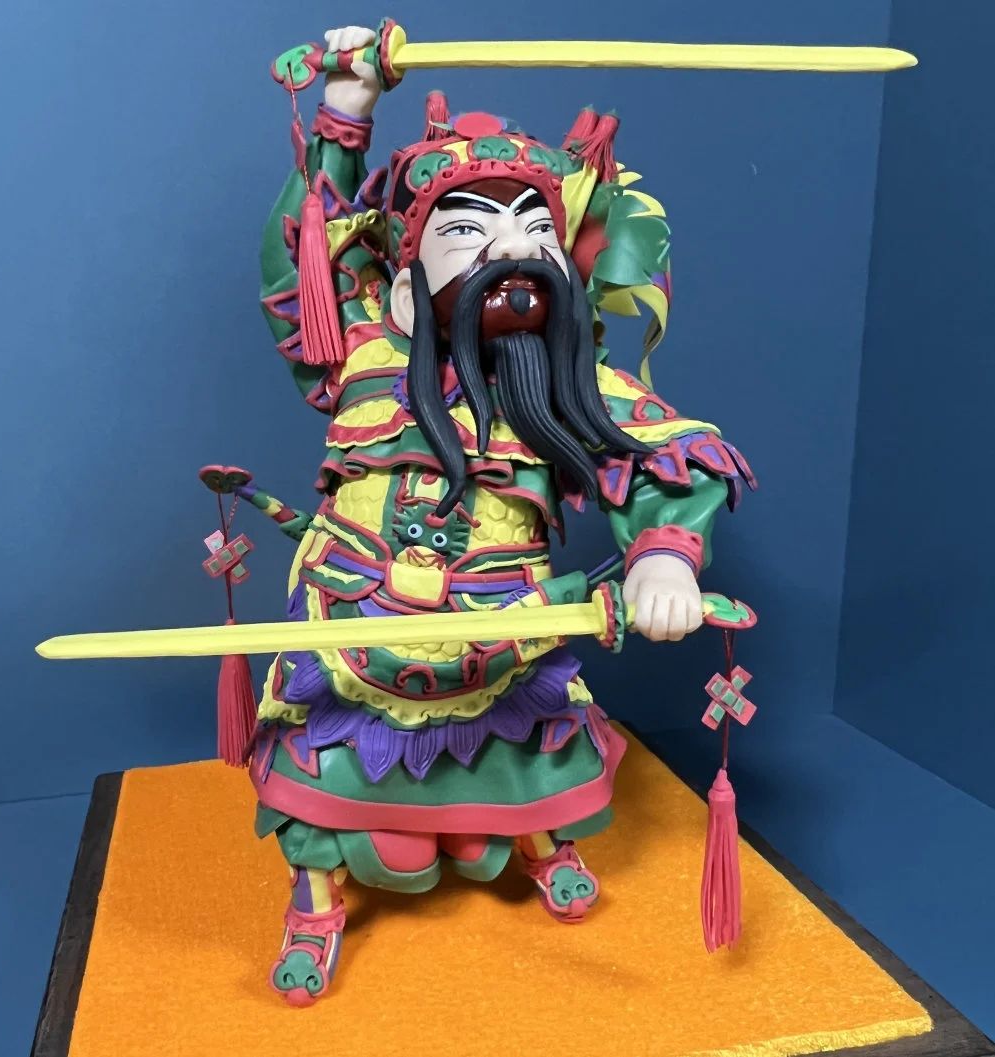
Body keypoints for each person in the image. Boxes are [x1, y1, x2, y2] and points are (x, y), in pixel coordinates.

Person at [250, 22, 754, 1006]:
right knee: (329, 762)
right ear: (407, 281)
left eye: (534, 230)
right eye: (472, 232)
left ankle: (538, 841)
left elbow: (667, 453)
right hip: (357, 625)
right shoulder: (360, 351)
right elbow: (299, 262)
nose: (513, 250)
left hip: (502, 631)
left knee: (528, 739)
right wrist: (347, 109)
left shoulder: (564, 384)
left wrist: (663, 557)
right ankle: (314, 898)